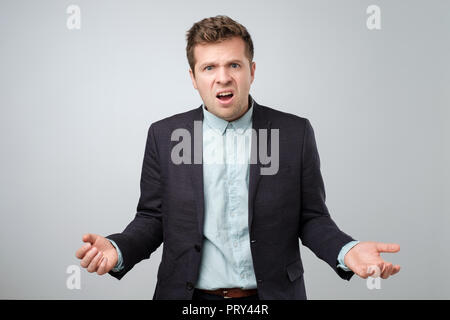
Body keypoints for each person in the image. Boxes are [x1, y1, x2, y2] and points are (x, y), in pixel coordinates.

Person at [75, 15, 400, 300]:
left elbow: (311, 218)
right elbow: (153, 218)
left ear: (251, 71)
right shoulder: (165, 135)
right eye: (209, 67)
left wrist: (348, 250)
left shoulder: (294, 133)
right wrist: (117, 249)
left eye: (234, 64)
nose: (223, 77)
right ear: (193, 78)